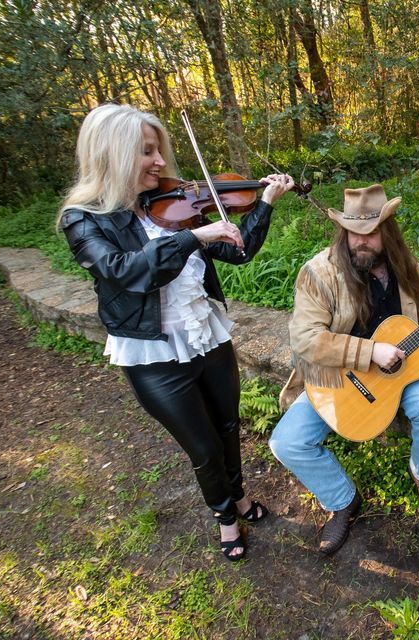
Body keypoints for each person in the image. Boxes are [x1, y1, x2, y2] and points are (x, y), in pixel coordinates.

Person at [57, 103, 296, 561]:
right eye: (147, 152)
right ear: (112, 154)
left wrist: (262, 205)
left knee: (227, 426)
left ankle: (240, 496)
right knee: (203, 445)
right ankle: (226, 516)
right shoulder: (83, 219)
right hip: (153, 354)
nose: (160, 162)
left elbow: (238, 252)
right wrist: (195, 237)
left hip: (207, 336)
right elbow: (124, 272)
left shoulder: (174, 206)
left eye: (159, 150)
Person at [269, 184, 419, 556]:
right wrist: (370, 351)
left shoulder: (410, 270)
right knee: (286, 442)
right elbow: (306, 339)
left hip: (400, 372)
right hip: (335, 377)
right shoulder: (318, 273)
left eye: (370, 232)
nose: (360, 241)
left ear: (387, 232)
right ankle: (342, 500)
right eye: (353, 232)